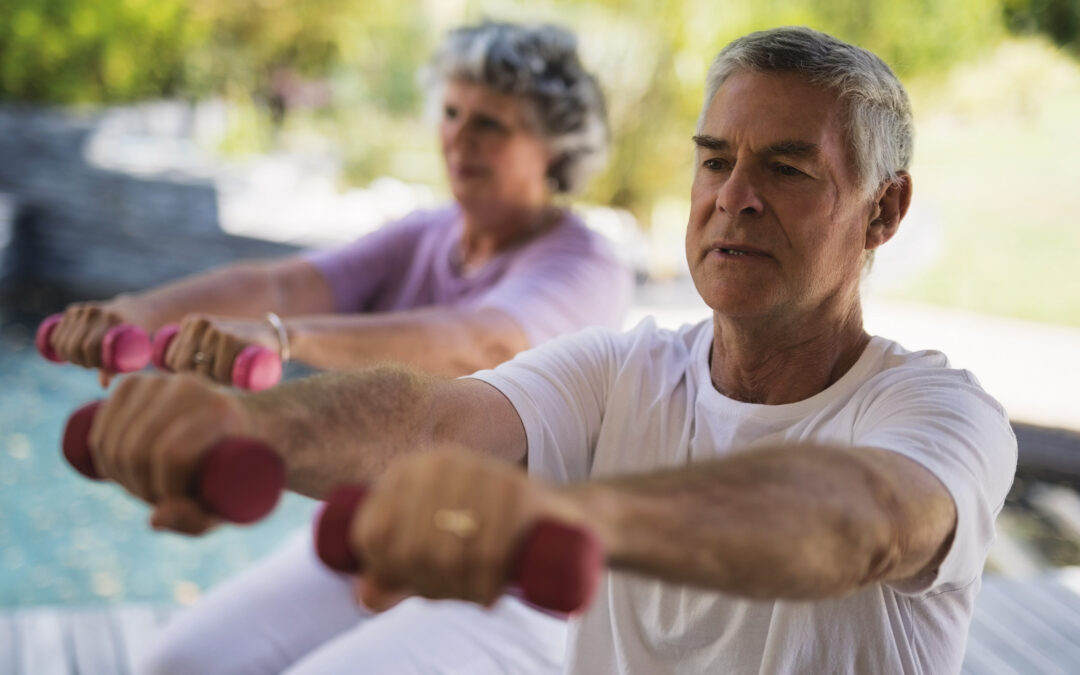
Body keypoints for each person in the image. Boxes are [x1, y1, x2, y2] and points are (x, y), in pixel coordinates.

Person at [81, 26, 1017, 675]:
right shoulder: (619, 370)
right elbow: (428, 416)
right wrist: (243, 423)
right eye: (714, 160)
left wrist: (571, 521)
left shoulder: (942, 413)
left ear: (883, 211)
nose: (735, 195)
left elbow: (859, 517)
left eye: (786, 167)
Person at [47, 21, 632, 675]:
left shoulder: (585, 265)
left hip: (515, 578)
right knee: (177, 663)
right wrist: (136, 312)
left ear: (553, 148)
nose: (459, 138)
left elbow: (479, 340)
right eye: (450, 112)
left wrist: (281, 337)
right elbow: (284, 281)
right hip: (386, 531)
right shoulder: (426, 232)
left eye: (491, 124)